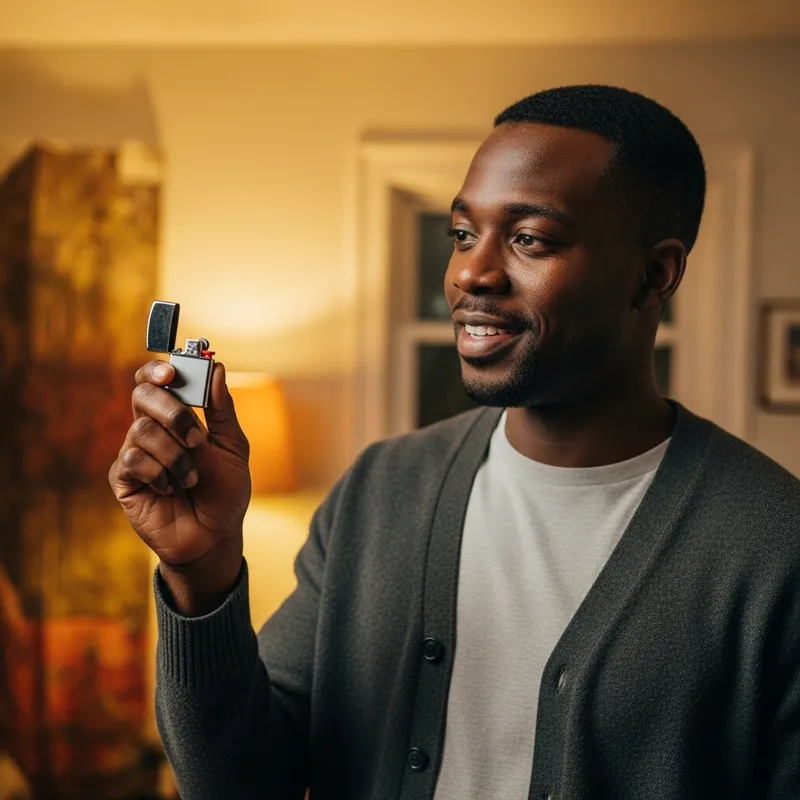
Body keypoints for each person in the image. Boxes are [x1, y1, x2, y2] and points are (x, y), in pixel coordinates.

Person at [109, 85, 800, 800]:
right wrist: (201, 572)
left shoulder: (776, 545)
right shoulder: (380, 490)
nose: (471, 274)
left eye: (530, 239)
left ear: (653, 275)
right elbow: (239, 786)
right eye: (464, 235)